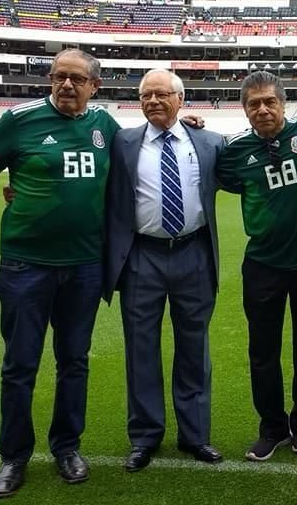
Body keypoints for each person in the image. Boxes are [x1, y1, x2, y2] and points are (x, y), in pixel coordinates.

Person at [0, 48, 120, 498]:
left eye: (77, 79)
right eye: (58, 76)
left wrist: (188, 123)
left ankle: (67, 447)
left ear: (94, 86)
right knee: (20, 365)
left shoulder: (105, 126)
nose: (66, 85)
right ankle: (14, 456)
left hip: (84, 266)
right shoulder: (19, 120)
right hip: (25, 265)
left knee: (74, 361)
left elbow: (142, 151)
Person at [104, 69, 226, 472]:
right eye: (146, 96)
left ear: (180, 99)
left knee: (195, 348)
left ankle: (195, 435)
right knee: (140, 349)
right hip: (142, 256)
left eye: (161, 94)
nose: (153, 101)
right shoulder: (122, 142)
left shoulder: (209, 142)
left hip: (194, 253)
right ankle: (144, 437)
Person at [216, 71, 297, 461]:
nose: (263, 109)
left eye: (270, 101)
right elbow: (228, 181)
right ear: (244, 109)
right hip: (264, 264)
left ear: (283, 103)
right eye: (254, 104)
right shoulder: (234, 151)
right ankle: (272, 427)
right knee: (262, 350)